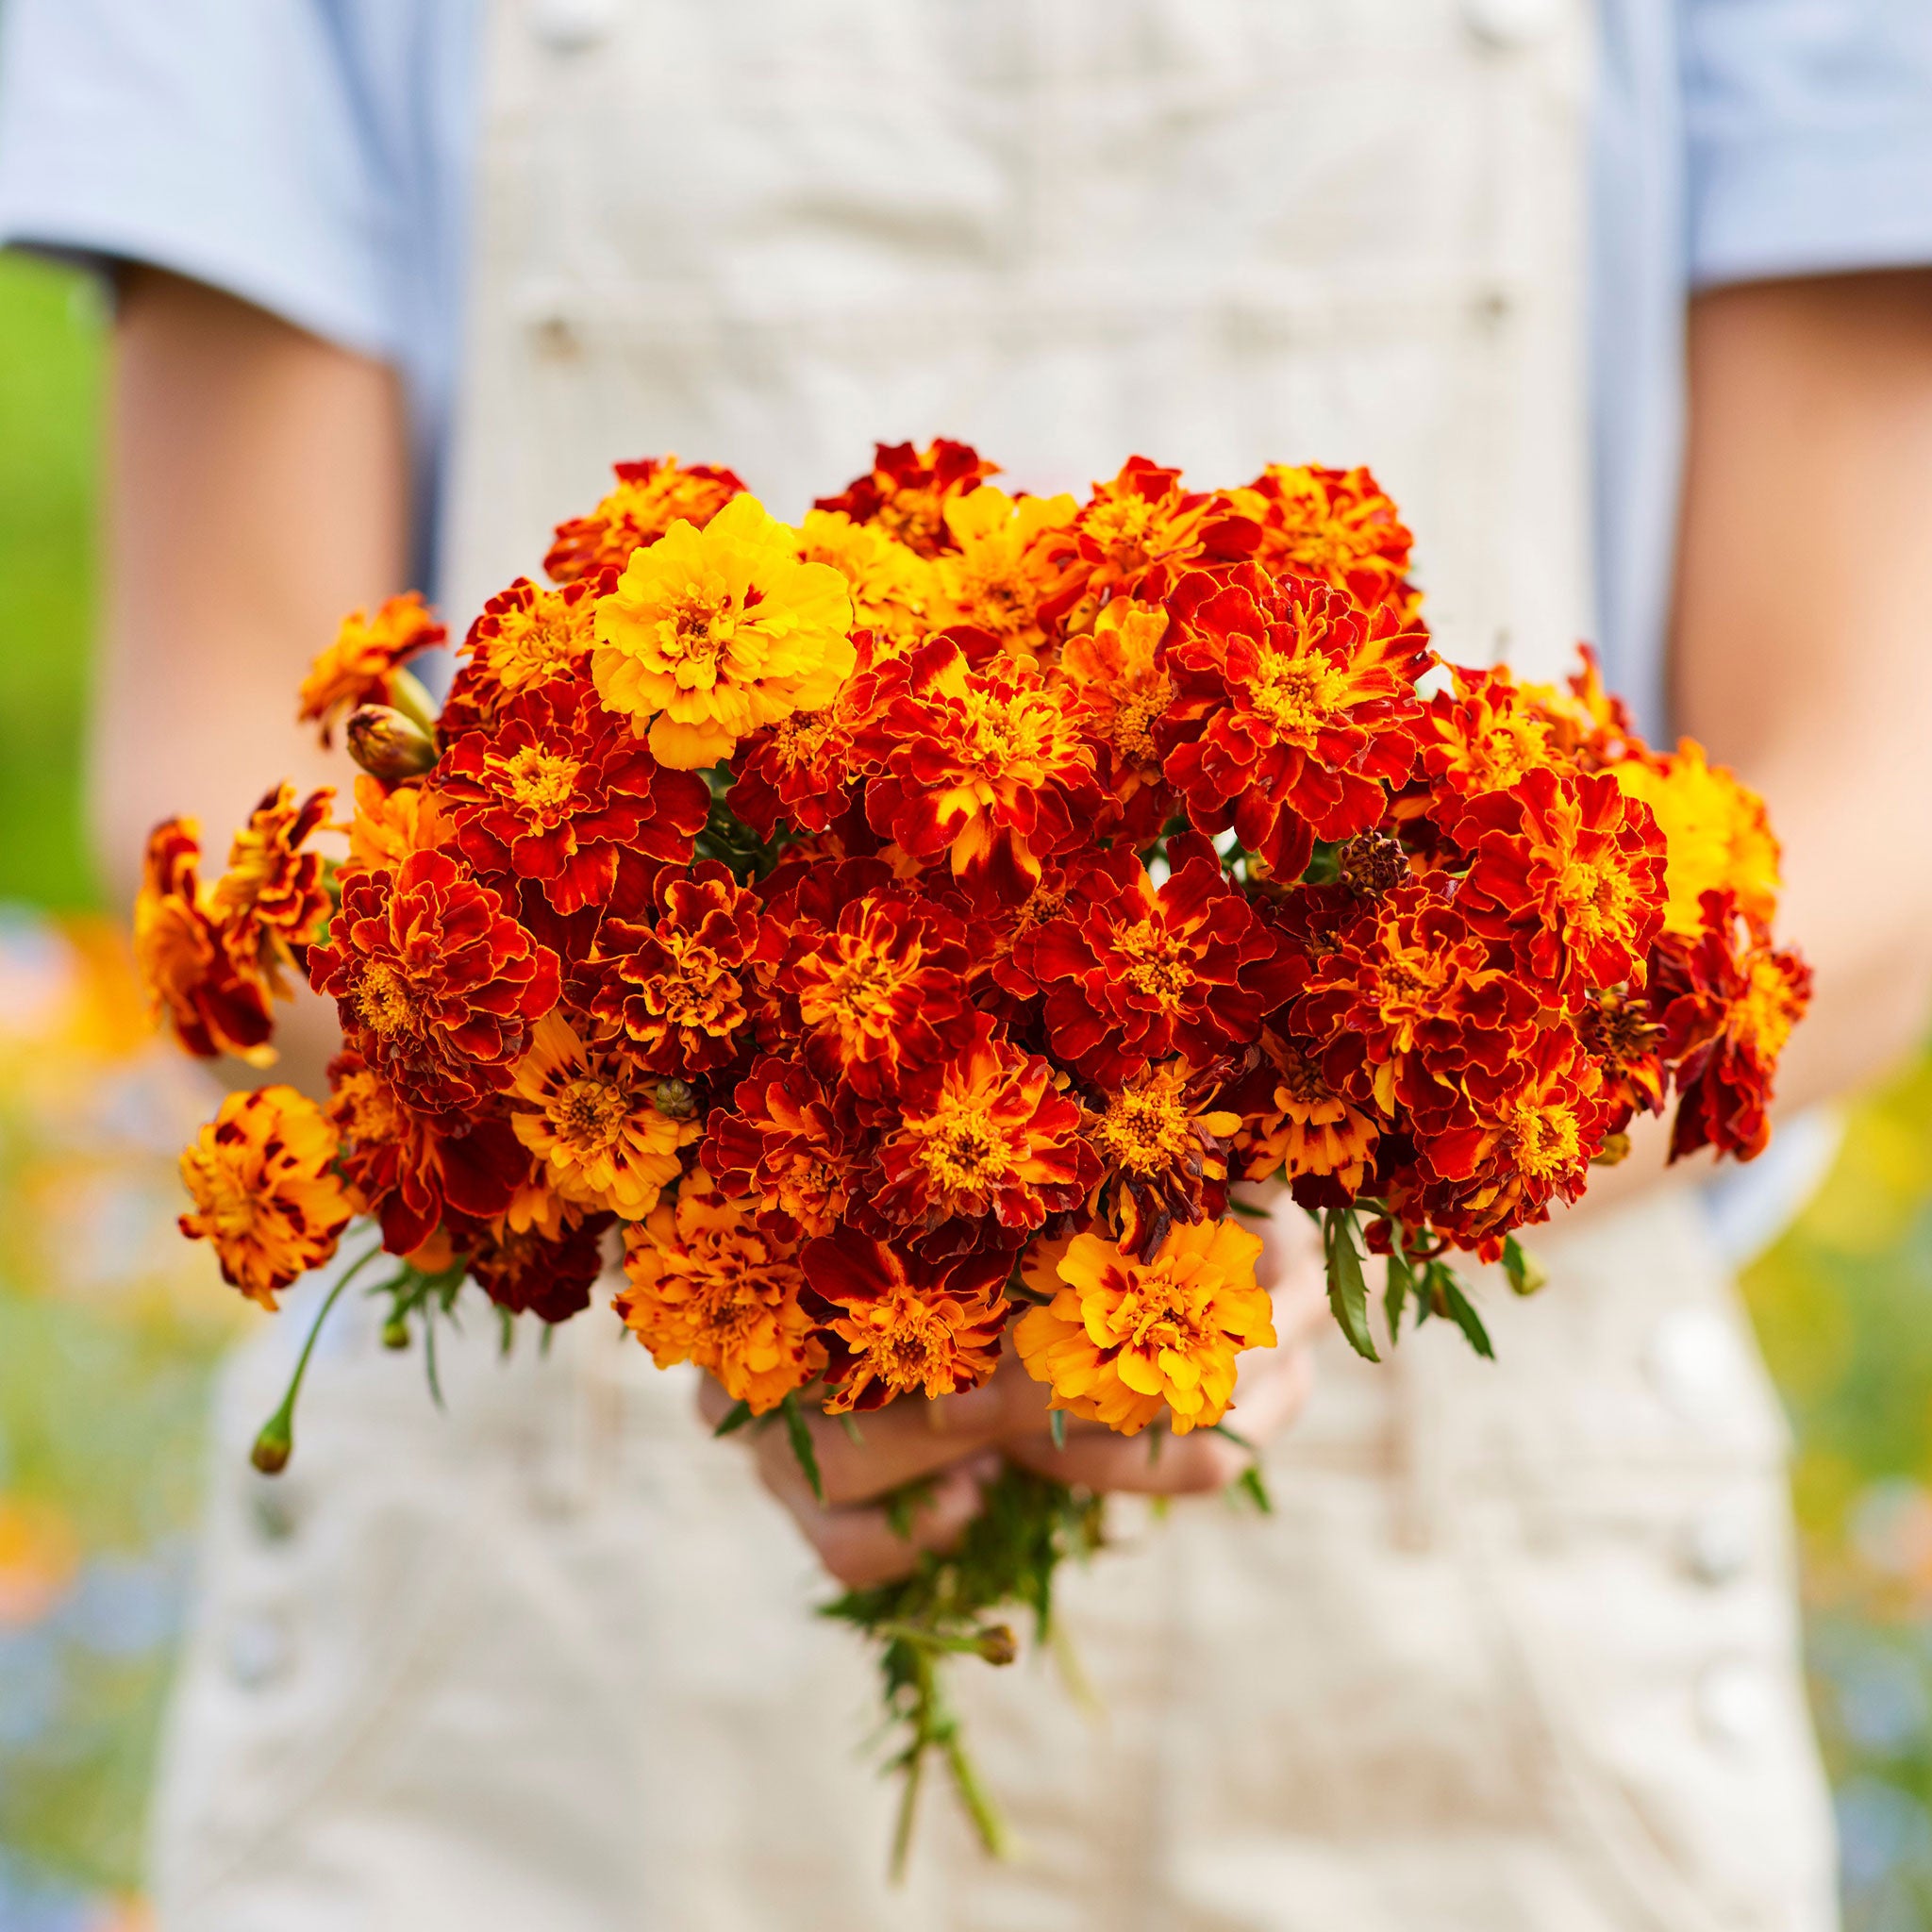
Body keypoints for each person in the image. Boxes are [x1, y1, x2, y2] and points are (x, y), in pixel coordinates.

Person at [5, 1, 1932, 1925]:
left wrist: (1270, 1192)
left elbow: (1864, 813)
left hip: (1474, 1607)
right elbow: (229, 739)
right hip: (541, 1571)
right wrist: (753, 1195)